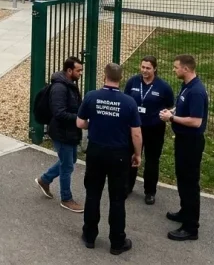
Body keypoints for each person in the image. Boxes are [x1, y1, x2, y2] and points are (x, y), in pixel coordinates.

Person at [77, 63, 142, 255]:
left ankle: (89, 236)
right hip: (119, 154)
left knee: (93, 194)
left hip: (96, 151)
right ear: (121, 78)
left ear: (104, 76)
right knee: (117, 199)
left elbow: (80, 122)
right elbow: (136, 134)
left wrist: (95, 123)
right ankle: (117, 242)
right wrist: (137, 154)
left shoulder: (91, 96)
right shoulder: (129, 102)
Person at [160, 54, 209, 242]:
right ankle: (184, 211)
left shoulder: (196, 91)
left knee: (190, 183)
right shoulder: (186, 86)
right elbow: (182, 108)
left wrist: (171, 119)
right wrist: (171, 111)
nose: (174, 70)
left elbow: (196, 121)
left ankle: (191, 227)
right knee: (182, 178)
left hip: (191, 142)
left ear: (186, 69)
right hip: (182, 140)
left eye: (176, 67)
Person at [36, 57, 85, 213]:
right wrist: (79, 119)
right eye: (78, 70)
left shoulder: (69, 85)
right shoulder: (60, 88)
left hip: (69, 131)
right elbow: (59, 113)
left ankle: (44, 179)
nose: (80, 73)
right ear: (69, 71)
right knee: (67, 165)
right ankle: (66, 199)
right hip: (61, 132)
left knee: (71, 160)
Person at [124, 56, 175, 204]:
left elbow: (170, 106)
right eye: (143, 67)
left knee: (152, 160)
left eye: (148, 68)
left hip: (154, 129)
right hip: (134, 128)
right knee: (132, 156)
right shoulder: (133, 82)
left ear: (155, 69)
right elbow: (126, 100)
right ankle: (127, 186)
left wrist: (165, 115)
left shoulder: (163, 87)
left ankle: (150, 191)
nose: (144, 70)